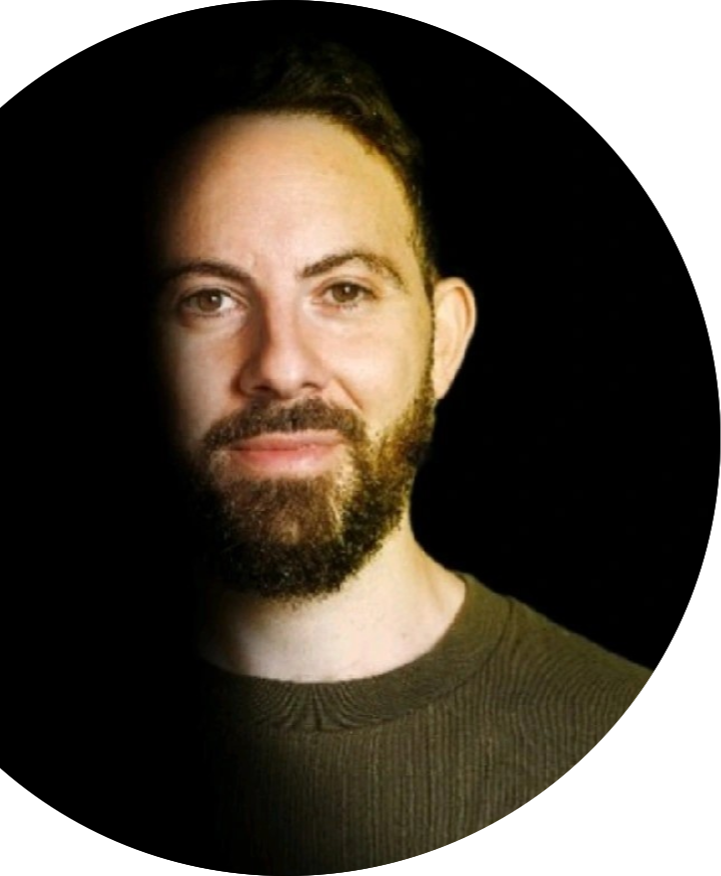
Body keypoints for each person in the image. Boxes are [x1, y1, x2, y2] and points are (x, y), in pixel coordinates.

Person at [141, 39, 653, 873]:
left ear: (442, 342)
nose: (280, 366)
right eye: (210, 299)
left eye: (343, 291)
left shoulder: (603, 714)